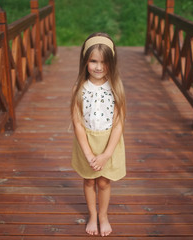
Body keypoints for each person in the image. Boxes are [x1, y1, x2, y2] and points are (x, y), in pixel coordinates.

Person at [70, 32, 126, 237]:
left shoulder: (116, 88)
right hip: (87, 143)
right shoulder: (79, 88)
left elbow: (119, 124)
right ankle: (92, 214)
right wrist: (88, 153)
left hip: (108, 144)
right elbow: (77, 123)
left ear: (112, 63)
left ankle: (103, 215)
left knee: (103, 181)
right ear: (85, 61)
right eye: (93, 61)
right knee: (89, 180)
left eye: (104, 62)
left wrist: (106, 155)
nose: (99, 67)